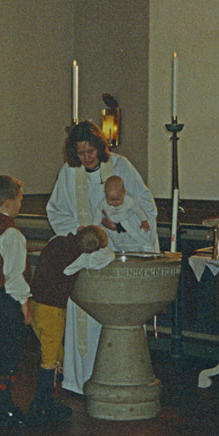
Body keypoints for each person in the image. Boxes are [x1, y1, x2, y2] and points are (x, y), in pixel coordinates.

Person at [46, 120, 159, 394]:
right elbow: (56, 211)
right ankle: (81, 380)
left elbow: (145, 206)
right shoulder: (69, 172)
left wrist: (118, 227)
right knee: (84, 319)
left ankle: (121, 378)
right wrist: (79, 232)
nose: (86, 157)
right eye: (80, 152)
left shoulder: (120, 167)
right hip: (85, 253)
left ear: (100, 146)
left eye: (91, 151)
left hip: (120, 253)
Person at [29, 224, 113, 425]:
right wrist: (99, 247)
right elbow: (107, 257)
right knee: (50, 359)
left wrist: (81, 233)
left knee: (57, 354)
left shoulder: (57, 242)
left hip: (36, 304)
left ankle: (48, 399)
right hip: (52, 310)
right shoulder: (80, 258)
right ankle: (42, 405)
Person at [0, 175, 31, 428]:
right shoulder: (11, 233)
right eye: (20, 199)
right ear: (9, 202)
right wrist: (24, 303)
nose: (22, 203)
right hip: (7, 298)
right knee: (8, 353)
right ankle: (4, 407)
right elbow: (14, 275)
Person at [93, 175, 157, 252]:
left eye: (117, 199)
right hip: (112, 225)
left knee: (135, 239)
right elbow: (97, 215)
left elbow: (138, 210)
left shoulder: (129, 201)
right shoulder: (103, 204)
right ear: (105, 194)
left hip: (126, 221)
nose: (114, 203)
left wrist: (144, 220)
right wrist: (95, 228)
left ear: (124, 193)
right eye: (110, 200)